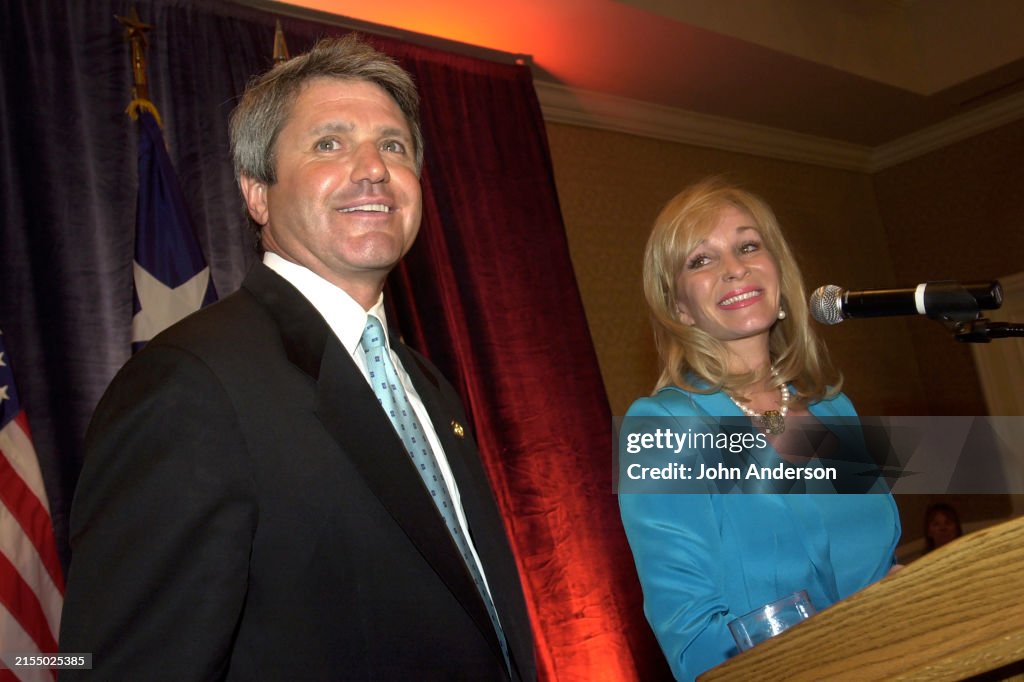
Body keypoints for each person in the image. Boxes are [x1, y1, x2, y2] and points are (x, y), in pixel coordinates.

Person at [59, 35, 535, 681]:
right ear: (256, 193)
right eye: (329, 144)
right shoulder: (189, 383)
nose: (373, 168)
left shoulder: (423, 381)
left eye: (393, 145)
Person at [618, 179, 901, 681]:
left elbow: (880, 571)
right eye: (700, 261)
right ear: (678, 306)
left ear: (778, 273)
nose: (734, 268)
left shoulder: (836, 409)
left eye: (748, 246)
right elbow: (692, 638)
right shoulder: (663, 426)